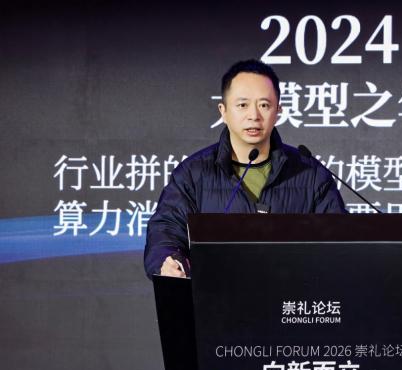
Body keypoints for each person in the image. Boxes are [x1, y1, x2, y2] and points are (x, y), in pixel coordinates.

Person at [144, 59, 346, 279]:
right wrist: (169, 262)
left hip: (291, 296)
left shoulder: (311, 174)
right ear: (223, 111)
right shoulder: (193, 173)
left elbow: (338, 241)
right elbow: (166, 231)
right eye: (242, 105)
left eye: (264, 105)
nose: (254, 116)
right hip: (215, 296)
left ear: (278, 111)